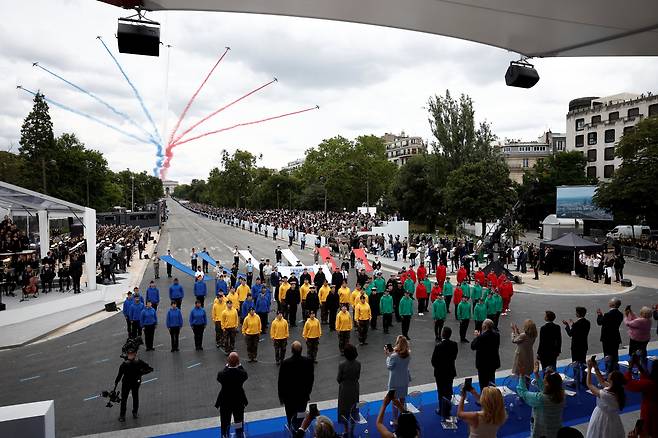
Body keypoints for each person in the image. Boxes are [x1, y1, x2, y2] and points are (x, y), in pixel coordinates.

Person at [516, 361, 565, 438]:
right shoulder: (562, 395)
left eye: (544, 380)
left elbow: (523, 392)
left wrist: (521, 376)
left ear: (547, 384)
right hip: (555, 431)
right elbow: (546, 388)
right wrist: (536, 374)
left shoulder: (540, 398)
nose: (543, 380)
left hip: (541, 433)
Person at [585, 357, 626, 438]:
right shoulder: (617, 389)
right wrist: (595, 367)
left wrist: (589, 369)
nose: (608, 375)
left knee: (600, 433)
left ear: (612, 381)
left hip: (602, 417)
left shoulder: (605, 394)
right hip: (613, 417)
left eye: (610, 376)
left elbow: (589, 384)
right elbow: (602, 381)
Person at [278, 341, 315, 431]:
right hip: (303, 396)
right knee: (301, 416)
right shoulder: (308, 362)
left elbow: (281, 382)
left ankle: (292, 431)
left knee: (290, 417)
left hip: (289, 398)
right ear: (301, 350)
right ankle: (301, 430)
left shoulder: (285, 363)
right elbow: (311, 379)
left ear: (291, 350)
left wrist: (281, 397)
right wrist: (308, 392)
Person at [113, 347, 152, 422]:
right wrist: (116, 382)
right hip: (126, 383)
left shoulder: (139, 362)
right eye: (129, 354)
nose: (130, 356)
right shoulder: (124, 364)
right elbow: (120, 374)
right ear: (127, 355)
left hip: (135, 383)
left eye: (132, 354)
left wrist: (141, 373)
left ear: (135, 354)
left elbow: (149, 368)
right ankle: (122, 415)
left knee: (135, 397)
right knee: (124, 399)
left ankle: (135, 412)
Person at [624, 352, 658, 438]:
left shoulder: (649, 384)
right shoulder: (652, 382)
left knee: (647, 430)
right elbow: (647, 377)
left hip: (650, 410)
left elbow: (629, 385)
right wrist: (638, 365)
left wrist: (630, 368)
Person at [215, 352, 248, 438]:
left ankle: (224, 434)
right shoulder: (242, 374)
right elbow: (245, 373)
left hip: (225, 401)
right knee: (238, 421)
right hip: (238, 401)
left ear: (228, 362)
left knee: (225, 421)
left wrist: (227, 366)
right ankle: (239, 434)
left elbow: (220, 376)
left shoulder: (222, 374)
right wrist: (239, 365)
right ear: (238, 362)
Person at [432, 326, 458, 419]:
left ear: (442, 334)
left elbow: (433, 361)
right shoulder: (454, 344)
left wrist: (438, 367)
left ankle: (441, 409)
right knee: (448, 390)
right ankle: (447, 409)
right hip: (450, 371)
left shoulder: (438, 346)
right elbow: (454, 357)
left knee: (441, 391)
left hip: (440, 372)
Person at [386, 335, 411, 426]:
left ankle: (396, 420)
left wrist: (388, 356)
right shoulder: (408, 354)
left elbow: (390, 367)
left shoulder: (394, 356)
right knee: (402, 400)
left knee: (395, 401)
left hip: (394, 382)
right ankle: (402, 418)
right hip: (404, 380)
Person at [337, 343, 361, 437]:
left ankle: (346, 430)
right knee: (354, 408)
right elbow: (358, 376)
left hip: (344, 389)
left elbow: (338, 378)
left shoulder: (342, 364)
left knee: (344, 409)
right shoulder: (358, 363)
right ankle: (352, 429)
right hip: (354, 387)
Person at [563, 307, 591, 385]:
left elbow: (570, 334)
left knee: (575, 363)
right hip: (584, 345)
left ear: (578, 314)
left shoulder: (577, 324)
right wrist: (573, 325)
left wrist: (568, 325)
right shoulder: (587, 322)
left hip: (576, 346)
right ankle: (585, 379)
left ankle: (576, 380)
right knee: (583, 362)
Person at [471, 319, 501, 389]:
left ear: (484, 327)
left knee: (483, 383)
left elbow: (473, 346)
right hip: (493, 362)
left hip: (483, 364)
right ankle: (492, 395)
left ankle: (485, 398)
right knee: (491, 380)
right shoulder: (497, 335)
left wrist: (477, 337)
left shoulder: (481, 337)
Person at [596, 298, 623, 372]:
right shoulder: (620, 314)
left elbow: (600, 322)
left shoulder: (608, 315)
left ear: (613, 305)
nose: (609, 302)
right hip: (616, 337)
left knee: (607, 355)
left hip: (607, 338)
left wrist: (599, 315)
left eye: (610, 302)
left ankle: (609, 372)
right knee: (615, 354)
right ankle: (615, 370)